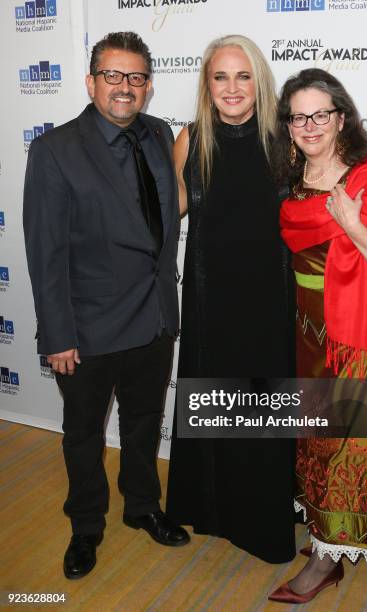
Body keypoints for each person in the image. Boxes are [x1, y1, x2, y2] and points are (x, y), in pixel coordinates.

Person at [166, 35, 367, 564]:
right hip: (210, 301)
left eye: (243, 75)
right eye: (220, 77)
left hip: (273, 302)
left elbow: (334, 170)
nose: (232, 88)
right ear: (207, 84)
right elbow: (167, 210)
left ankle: (264, 520)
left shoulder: (285, 138)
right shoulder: (190, 138)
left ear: (259, 81)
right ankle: (212, 511)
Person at [23, 31, 189, 581]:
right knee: (84, 434)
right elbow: (45, 251)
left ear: (147, 85)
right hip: (88, 327)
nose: (125, 87)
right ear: (91, 81)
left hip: (154, 316)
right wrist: (57, 334)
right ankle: (86, 524)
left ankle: (143, 506)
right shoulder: (55, 150)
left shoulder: (161, 133)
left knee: (144, 423)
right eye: (113, 76)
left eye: (136, 77)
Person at [268, 68, 367, 603]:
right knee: (317, 440)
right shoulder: (287, 177)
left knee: (349, 446)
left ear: (342, 119)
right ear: (287, 124)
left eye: (321, 114)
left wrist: (355, 224)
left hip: (357, 337)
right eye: (299, 116)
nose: (310, 125)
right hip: (308, 329)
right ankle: (324, 544)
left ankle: (324, 561)